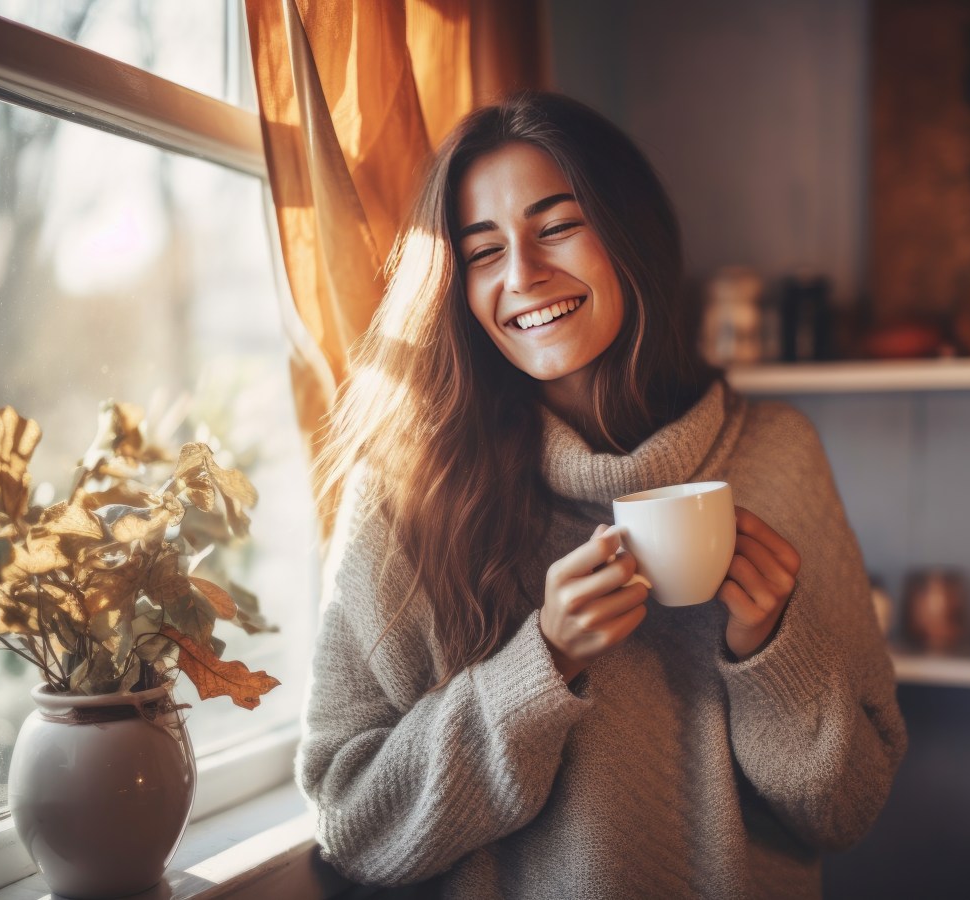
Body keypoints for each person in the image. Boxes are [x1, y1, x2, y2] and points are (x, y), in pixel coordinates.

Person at [301, 91, 907, 899]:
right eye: (483, 251)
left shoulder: (775, 454)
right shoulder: (405, 491)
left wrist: (771, 649)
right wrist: (539, 665)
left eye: (555, 227)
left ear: (630, 235)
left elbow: (852, 808)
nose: (523, 274)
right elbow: (352, 823)